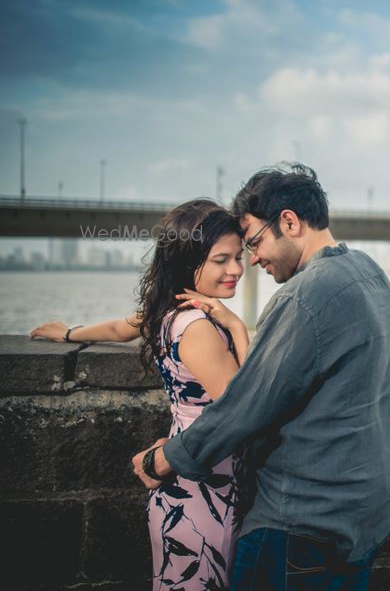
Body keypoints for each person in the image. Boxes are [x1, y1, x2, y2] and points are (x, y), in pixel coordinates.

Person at [132, 164, 390, 590]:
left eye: (255, 242)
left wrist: (164, 459)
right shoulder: (369, 273)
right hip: (364, 516)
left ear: (289, 221)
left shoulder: (304, 296)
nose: (252, 259)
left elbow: (244, 406)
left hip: (301, 522)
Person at [30, 199, 251, 589]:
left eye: (238, 256)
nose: (235, 269)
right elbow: (247, 407)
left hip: (183, 485)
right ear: (188, 259)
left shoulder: (165, 312)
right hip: (206, 491)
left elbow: (120, 328)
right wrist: (237, 328)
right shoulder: (199, 327)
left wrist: (69, 333)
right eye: (221, 259)